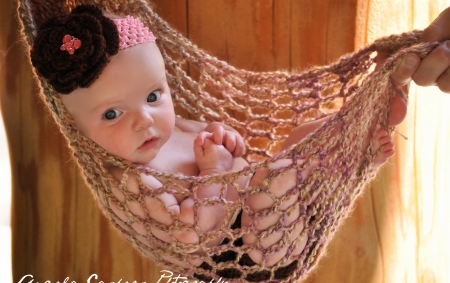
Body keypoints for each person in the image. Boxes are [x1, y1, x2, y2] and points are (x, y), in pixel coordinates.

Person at [29, 4, 445, 268]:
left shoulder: (174, 128)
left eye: (155, 95)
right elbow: (193, 236)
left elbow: (229, 143)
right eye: (113, 114)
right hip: (253, 249)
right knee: (274, 178)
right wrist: (215, 169)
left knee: (304, 138)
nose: (145, 121)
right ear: (78, 131)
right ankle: (339, 157)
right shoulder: (135, 183)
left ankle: (355, 145)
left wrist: (225, 139)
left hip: (282, 203)